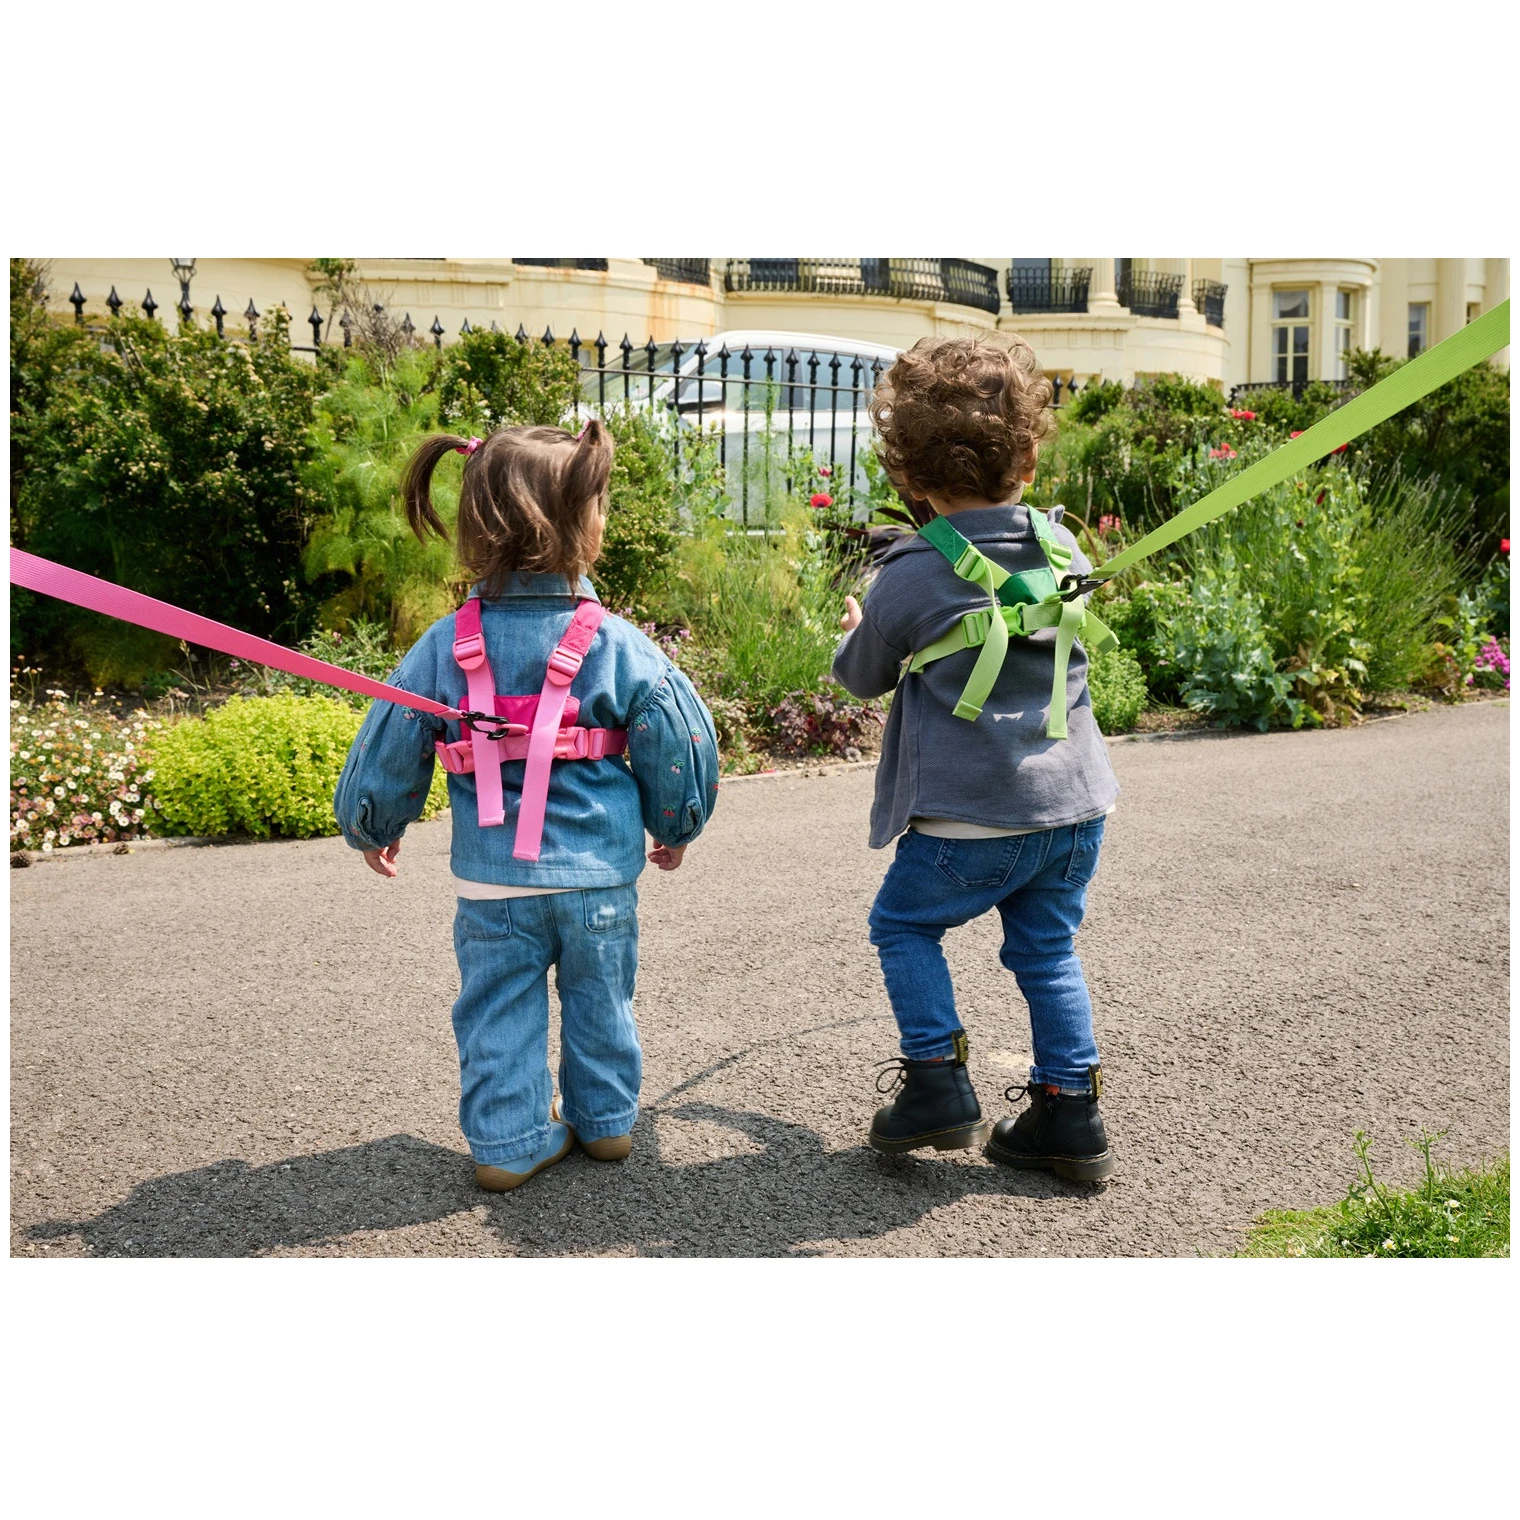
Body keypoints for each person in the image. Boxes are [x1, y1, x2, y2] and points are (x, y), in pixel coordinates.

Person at [334, 420, 718, 1193]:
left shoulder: (443, 644)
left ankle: (508, 1144)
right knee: (601, 1000)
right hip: (598, 878)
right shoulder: (617, 643)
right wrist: (675, 824)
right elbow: (678, 737)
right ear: (582, 524)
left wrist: (374, 822)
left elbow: (392, 734)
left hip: (492, 885)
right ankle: (606, 1124)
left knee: (497, 1012)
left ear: (479, 529)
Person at [832, 334, 1119, 1182]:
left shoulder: (912, 574)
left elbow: (862, 676)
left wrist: (859, 631)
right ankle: (1070, 1110)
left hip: (970, 819)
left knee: (904, 925)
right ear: (1028, 458)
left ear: (910, 476)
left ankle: (935, 1082)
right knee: (1047, 952)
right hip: (1072, 811)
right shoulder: (1065, 550)